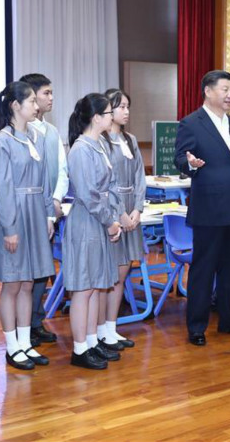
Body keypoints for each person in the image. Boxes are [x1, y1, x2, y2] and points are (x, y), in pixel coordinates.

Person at [174, 70, 230, 347]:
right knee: (203, 268)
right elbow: (180, 158)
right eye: (225, 89)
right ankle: (197, 326)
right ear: (208, 91)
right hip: (210, 207)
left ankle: (229, 320)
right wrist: (190, 163)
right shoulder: (191, 123)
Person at [0, 81, 55, 371]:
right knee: (13, 283)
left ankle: (26, 342)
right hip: (14, 215)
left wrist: (48, 216)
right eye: (30, 102)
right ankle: (11, 345)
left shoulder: (35, 138)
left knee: (29, 282)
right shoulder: (1, 141)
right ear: (15, 106)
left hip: (35, 214)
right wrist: (10, 227)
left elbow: (45, 181)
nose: (36, 106)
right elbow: (3, 188)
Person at [64, 93, 122, 369]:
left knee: (96, 286)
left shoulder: (99, 145)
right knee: (83, 288)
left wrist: (114, 217)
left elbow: (110, 187)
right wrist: (109, 220)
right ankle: (79, 349)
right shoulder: (80, 148)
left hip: (100, 220)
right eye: (110, 113)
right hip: (87, 221)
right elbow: (88, 193)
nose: (113, 117)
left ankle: (90, 342)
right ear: (96, 117)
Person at [20, 73, 69, 347]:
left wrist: (57, 199)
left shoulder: (51, 131)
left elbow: (61, 169)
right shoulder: (20, 132)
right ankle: (23, 327)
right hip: (28, 210)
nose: (51, 98)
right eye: (46, 93)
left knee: (42, 268)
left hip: (49, 208)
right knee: (25, 274)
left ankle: (36, 321)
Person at [100, 88, 145, 350]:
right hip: (113, 210)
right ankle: (101, 329)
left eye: (128, 106)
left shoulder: (131, 140)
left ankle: (111, 327)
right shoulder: (101, 141)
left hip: (132, 209)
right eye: (121, 107)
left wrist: (138, 207)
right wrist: (120, 214)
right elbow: (106, 182)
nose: (126, 111)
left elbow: (139, 176)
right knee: (112, 272)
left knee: (125, 269)